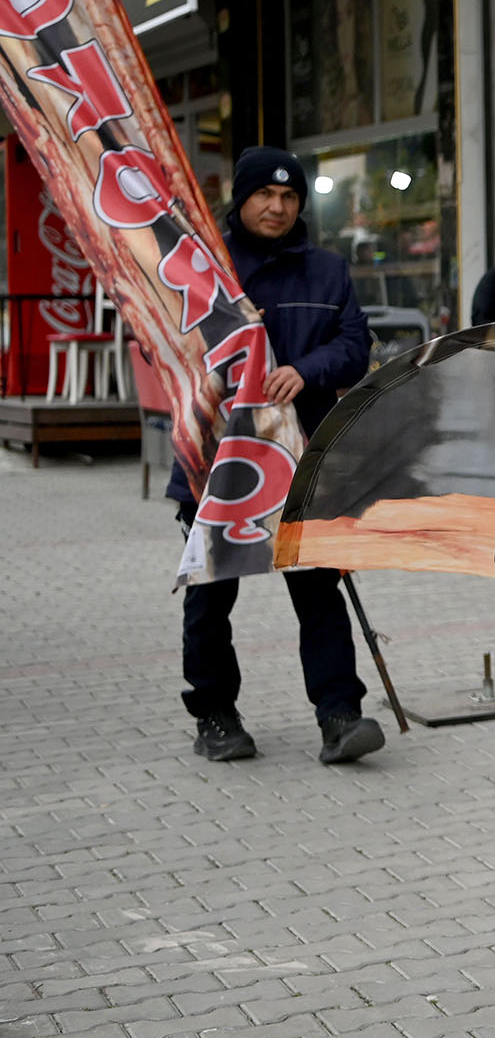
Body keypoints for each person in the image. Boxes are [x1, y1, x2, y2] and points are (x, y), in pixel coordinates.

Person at [167, 147, 385, 767]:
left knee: (320, 590)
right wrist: (226, 333)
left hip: (303, 457)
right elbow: (171, 346)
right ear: (242, 198)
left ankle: (340, 716)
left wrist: (305, 370)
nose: (278, 206)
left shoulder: (327, 269)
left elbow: (353, 346)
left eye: (290, 198)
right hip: (219, 459)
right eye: (265, 194)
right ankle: (214, 714)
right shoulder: (205, 267)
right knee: (212, 592)